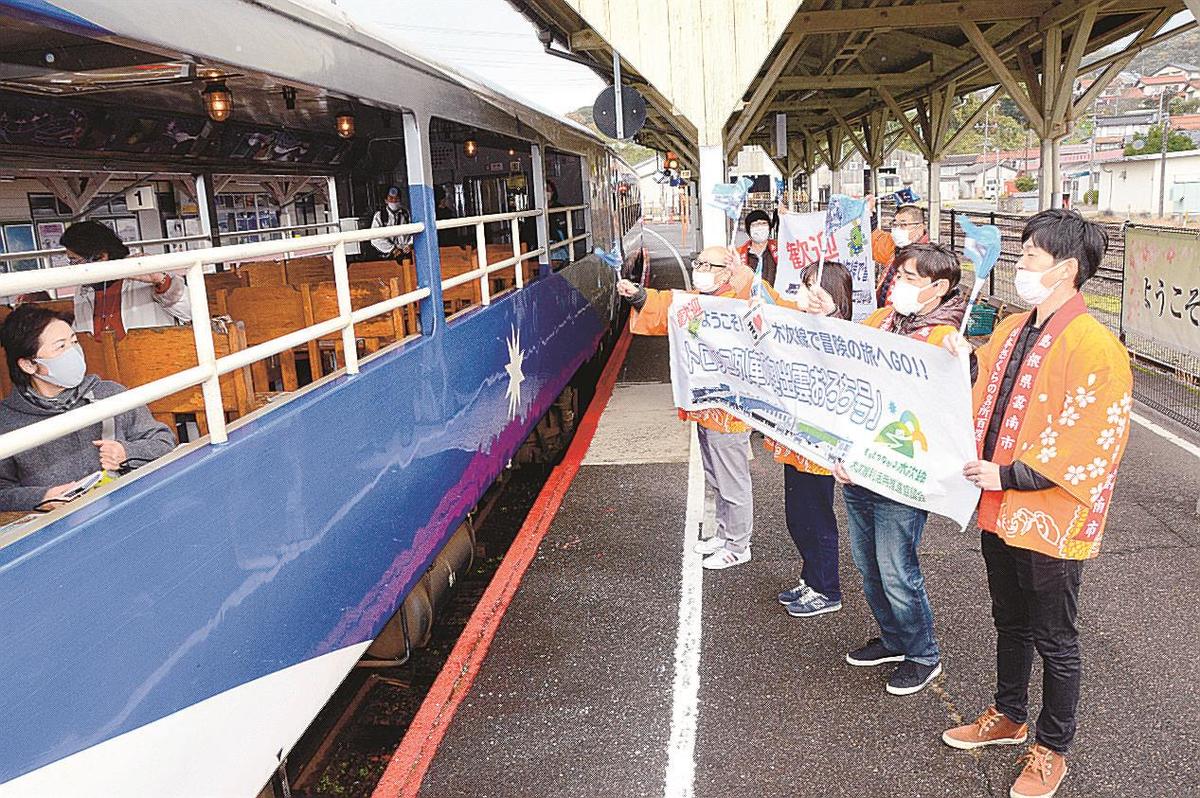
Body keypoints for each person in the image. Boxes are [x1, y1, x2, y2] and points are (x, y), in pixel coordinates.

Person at [940, 210, 1133, 798]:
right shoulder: (1012, 327)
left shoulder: (1097, 347)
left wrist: (1007, 474)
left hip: (1051, 515)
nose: (1018, 264)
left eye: (1029, 256)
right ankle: (1009, 714)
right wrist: (957, 359)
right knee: (1010, 620)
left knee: (1056, 637)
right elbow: (981, 396)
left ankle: (1052, 748)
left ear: (1067, 269)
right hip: (999, 504)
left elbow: (1089, 445)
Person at [813, 242, 966, 696]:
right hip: (860, 465)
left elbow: (963, 385)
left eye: (911, 279)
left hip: (904, 474)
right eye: (898, 276)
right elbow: (849, 365)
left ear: (939, 288)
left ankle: (923, 653)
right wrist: (831, 321)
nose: (898, 285)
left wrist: (967, 361)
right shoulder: (881, 322)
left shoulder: (945, 339)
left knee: (897, 566)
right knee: (867, 563)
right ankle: (894, 638)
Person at [616, 245, 793, 570]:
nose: (699, 268)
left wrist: (747, 276)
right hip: (705, 406)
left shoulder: (746, 295)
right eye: (697, 263)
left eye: (707, 265)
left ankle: (739, 545)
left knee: (732, 479)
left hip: (730, 411)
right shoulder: (700, 298)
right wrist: (638, 296)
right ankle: (725, 534)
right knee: (716, 473)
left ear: (727, 270)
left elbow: (774, 313)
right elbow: (668, 306)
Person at [0, 305, 176, 511]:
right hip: (58, 529)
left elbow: (164, 441)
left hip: (128, 509)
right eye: (61, 347)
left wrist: (127, 452)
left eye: (74, 342)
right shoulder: (7, 421)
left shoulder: (110, 394)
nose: (73, 352)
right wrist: (42, 497)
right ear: (29, 365)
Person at [765, 260, 854, 617]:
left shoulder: (844, 335)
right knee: (797, 514)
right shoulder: (799, 327)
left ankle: (826, 588)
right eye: (803, 286)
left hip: (819, 446)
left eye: (812, 287)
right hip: (794, 440)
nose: (803, 295)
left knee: (816, 517)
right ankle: (810, 578)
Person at [59, 221, 191, 339]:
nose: (73, 268)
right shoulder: (83, 291)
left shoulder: (145, 277)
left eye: (76, 262)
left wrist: (160, 280)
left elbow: (190, 312)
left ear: (102, 256)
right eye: (71, 262)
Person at [874, 205, 929, 307]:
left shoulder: (928, 258)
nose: (897, 229)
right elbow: (877, 245)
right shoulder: (897, 248)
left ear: (920, 228)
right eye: (895, 224)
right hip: (886, 312)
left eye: (903, 225)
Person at [369, 186, 413, 262]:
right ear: (386, 200)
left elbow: (414, 231)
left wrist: (410, 244)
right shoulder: (380, 216)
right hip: (388, 255)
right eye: (391, 198)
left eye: (397, 198)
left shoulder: (406, 214)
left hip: (406, 253)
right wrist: (392, 249)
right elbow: (375, 238)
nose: (394, 201)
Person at [736, 209, 778, 286]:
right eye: (755, 224)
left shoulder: (780, 249)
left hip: (777, 296)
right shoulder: (738, 254)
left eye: (763, 223)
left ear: (769, 227)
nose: (760, 228)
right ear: (748, 230)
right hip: (749, 297)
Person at [546, 180, 569, 267]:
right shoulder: (535, 210)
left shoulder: (559, 208)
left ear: (553, 192)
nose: (546, 193)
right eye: (543, 190)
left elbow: (563, 230)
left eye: (548, 190)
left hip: (558, 246)